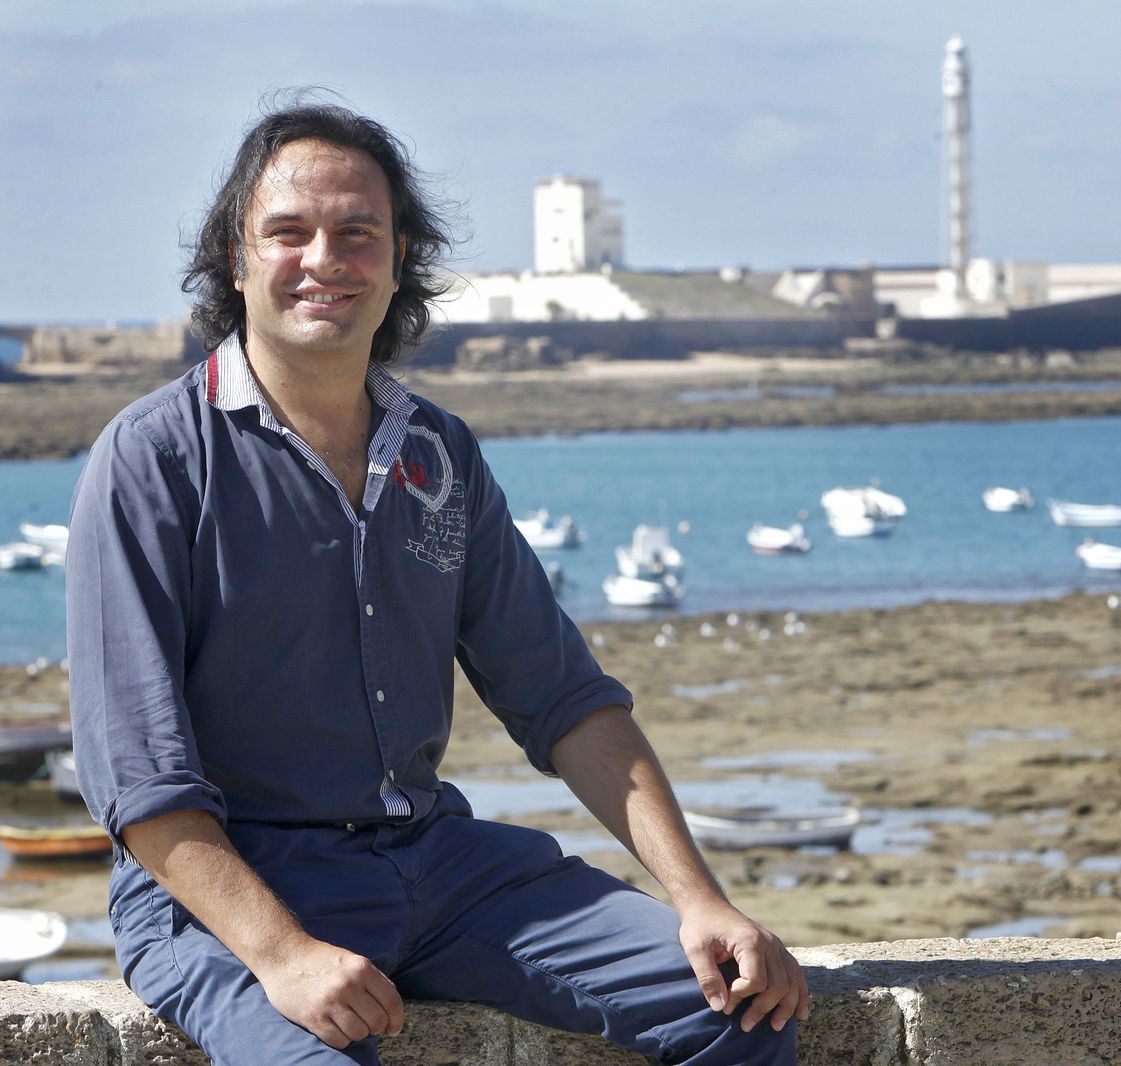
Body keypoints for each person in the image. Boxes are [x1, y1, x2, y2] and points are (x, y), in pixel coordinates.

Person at [66, 101, 807, 1065]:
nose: (323, 259)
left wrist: (700, 898)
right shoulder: (154, 457)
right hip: (229, 895)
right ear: (236, 258)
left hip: (436, 863)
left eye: (357, 232)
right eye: (287, 231)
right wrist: (283, 954)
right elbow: (135, 772)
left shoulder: (439, 453)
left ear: (398, 258)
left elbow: (565, 701)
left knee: (741, 1005)